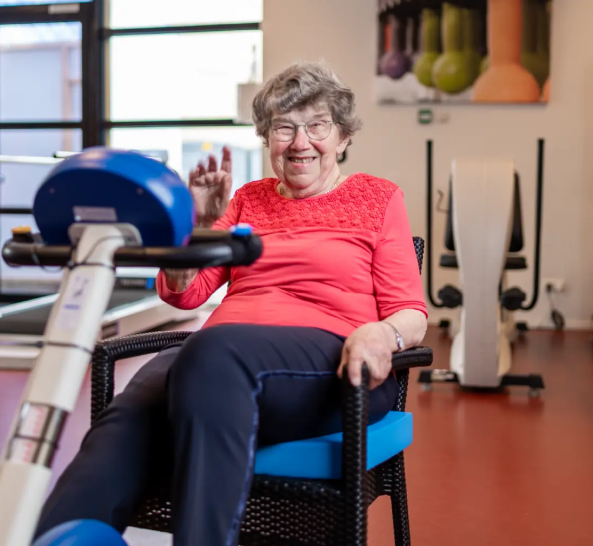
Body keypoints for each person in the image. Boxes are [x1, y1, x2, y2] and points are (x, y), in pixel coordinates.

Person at [34, 61, 428, 545]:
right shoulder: (245, 199)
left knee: (212, 353)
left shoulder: (377, 197)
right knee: (128, 416)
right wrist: (196, 227)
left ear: (343, 137)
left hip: (331, 363)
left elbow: (411, 312)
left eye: (317, 126)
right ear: (267, 140)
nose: (300, 142)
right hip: (213, 358)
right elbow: (185, 293)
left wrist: (381, 333)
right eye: (284, 128)